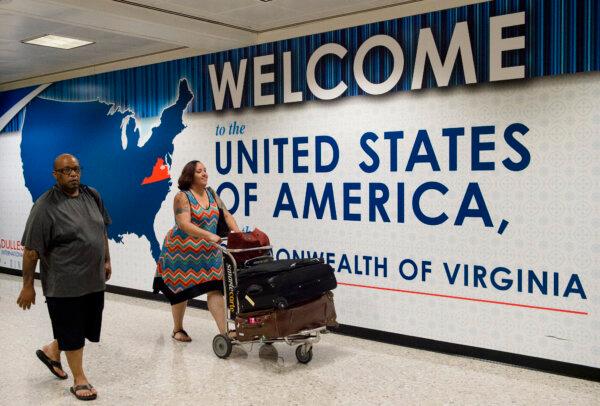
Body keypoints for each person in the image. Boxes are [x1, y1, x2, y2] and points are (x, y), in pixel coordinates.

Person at [16, 153, 111, 402]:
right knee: (71, 328)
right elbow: (31, 250)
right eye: (66, 171)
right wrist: (28, 286)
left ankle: (51, 351)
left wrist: (106, 259)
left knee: (84, 328)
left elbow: (101, 229)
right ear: (55, 175)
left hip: (93, 279)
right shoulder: (45, 206)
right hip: (64, 283)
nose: (73, 174)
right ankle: (80, 379)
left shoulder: (92, 195)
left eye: (76, 169)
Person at [153, 160, 240, 342]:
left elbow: (226, 214)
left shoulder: (212, 194)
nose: (204, 173)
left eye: (205, 170)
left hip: (209, 252)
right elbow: (183, 223)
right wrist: (208, 235)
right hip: (181, 251)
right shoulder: (182, 197)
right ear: (190, 176)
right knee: (180, 291)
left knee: (216, 288)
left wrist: (239, 235)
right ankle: (178, 329)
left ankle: (224, 332)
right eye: (199, 171)